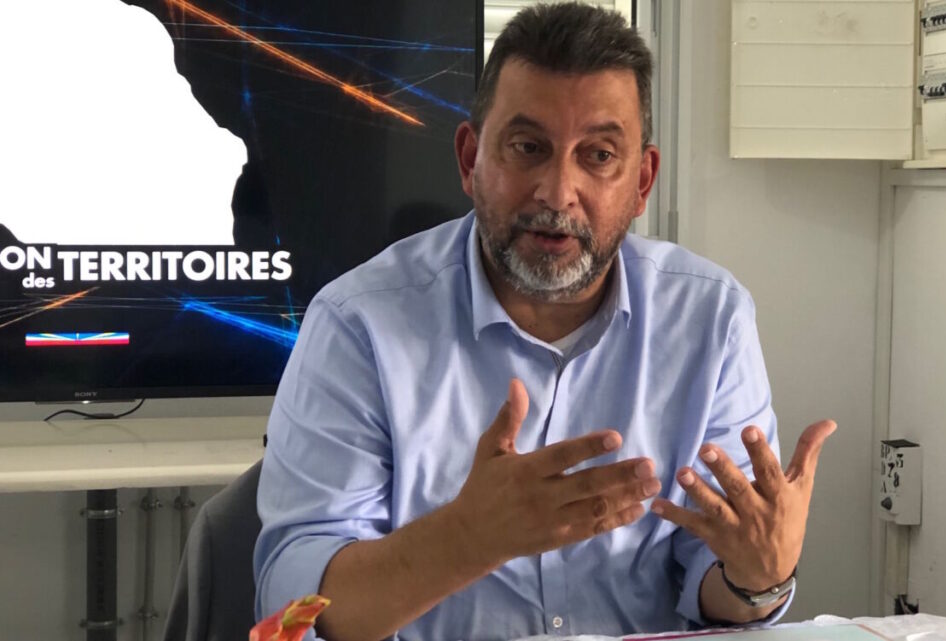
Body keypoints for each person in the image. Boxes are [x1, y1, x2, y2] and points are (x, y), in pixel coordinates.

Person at [253, 4, 836, 641]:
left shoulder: (711, 319)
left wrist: (757, 578)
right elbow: (291, 610)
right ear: (470, 159)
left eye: (599, 155)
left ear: (642, 182)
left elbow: (718, 584)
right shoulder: (358, 325)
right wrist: (466, 538)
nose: (558, 193)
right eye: (528, 148)